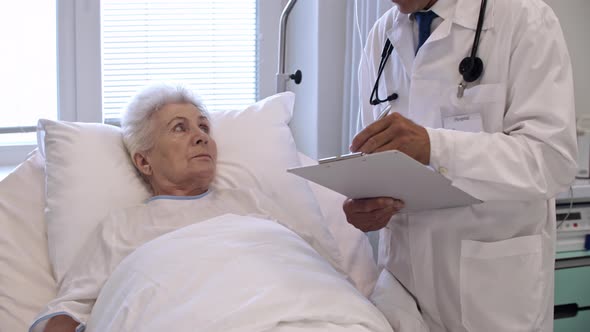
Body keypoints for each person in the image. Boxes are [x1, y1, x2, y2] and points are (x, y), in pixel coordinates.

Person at [30, 83, 356, 332]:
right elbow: (66, 311)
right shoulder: (122, 228)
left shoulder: (251, 202)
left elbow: (312, 269)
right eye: (180, 128)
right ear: (144, 161)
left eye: (203, 127)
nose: (201, 137)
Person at [344, 0, 578, 331]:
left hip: (491, 294)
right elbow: (372, 157)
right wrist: (365, 206)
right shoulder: (382, 34)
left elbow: (552, 159)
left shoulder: (524, 18)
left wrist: (435, 147)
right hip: (403, 290)